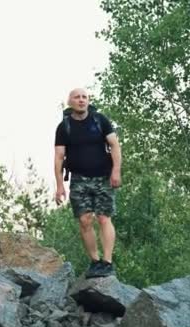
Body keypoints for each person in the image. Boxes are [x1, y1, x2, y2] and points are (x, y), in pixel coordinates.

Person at [54, 88, 122, 278]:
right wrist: (59, 186)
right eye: (77, 97)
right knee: (84, 221)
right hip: (78, 180)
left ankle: (107, 262)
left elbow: (114, 145)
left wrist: (116, 171)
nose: (81, 100)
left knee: (103, 218)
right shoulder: (64, 127)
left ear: (88, 101)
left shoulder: (100, 120)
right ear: (70, 102)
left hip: (103, 177)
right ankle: (95, 261)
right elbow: (59, 157)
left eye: (84, 97)